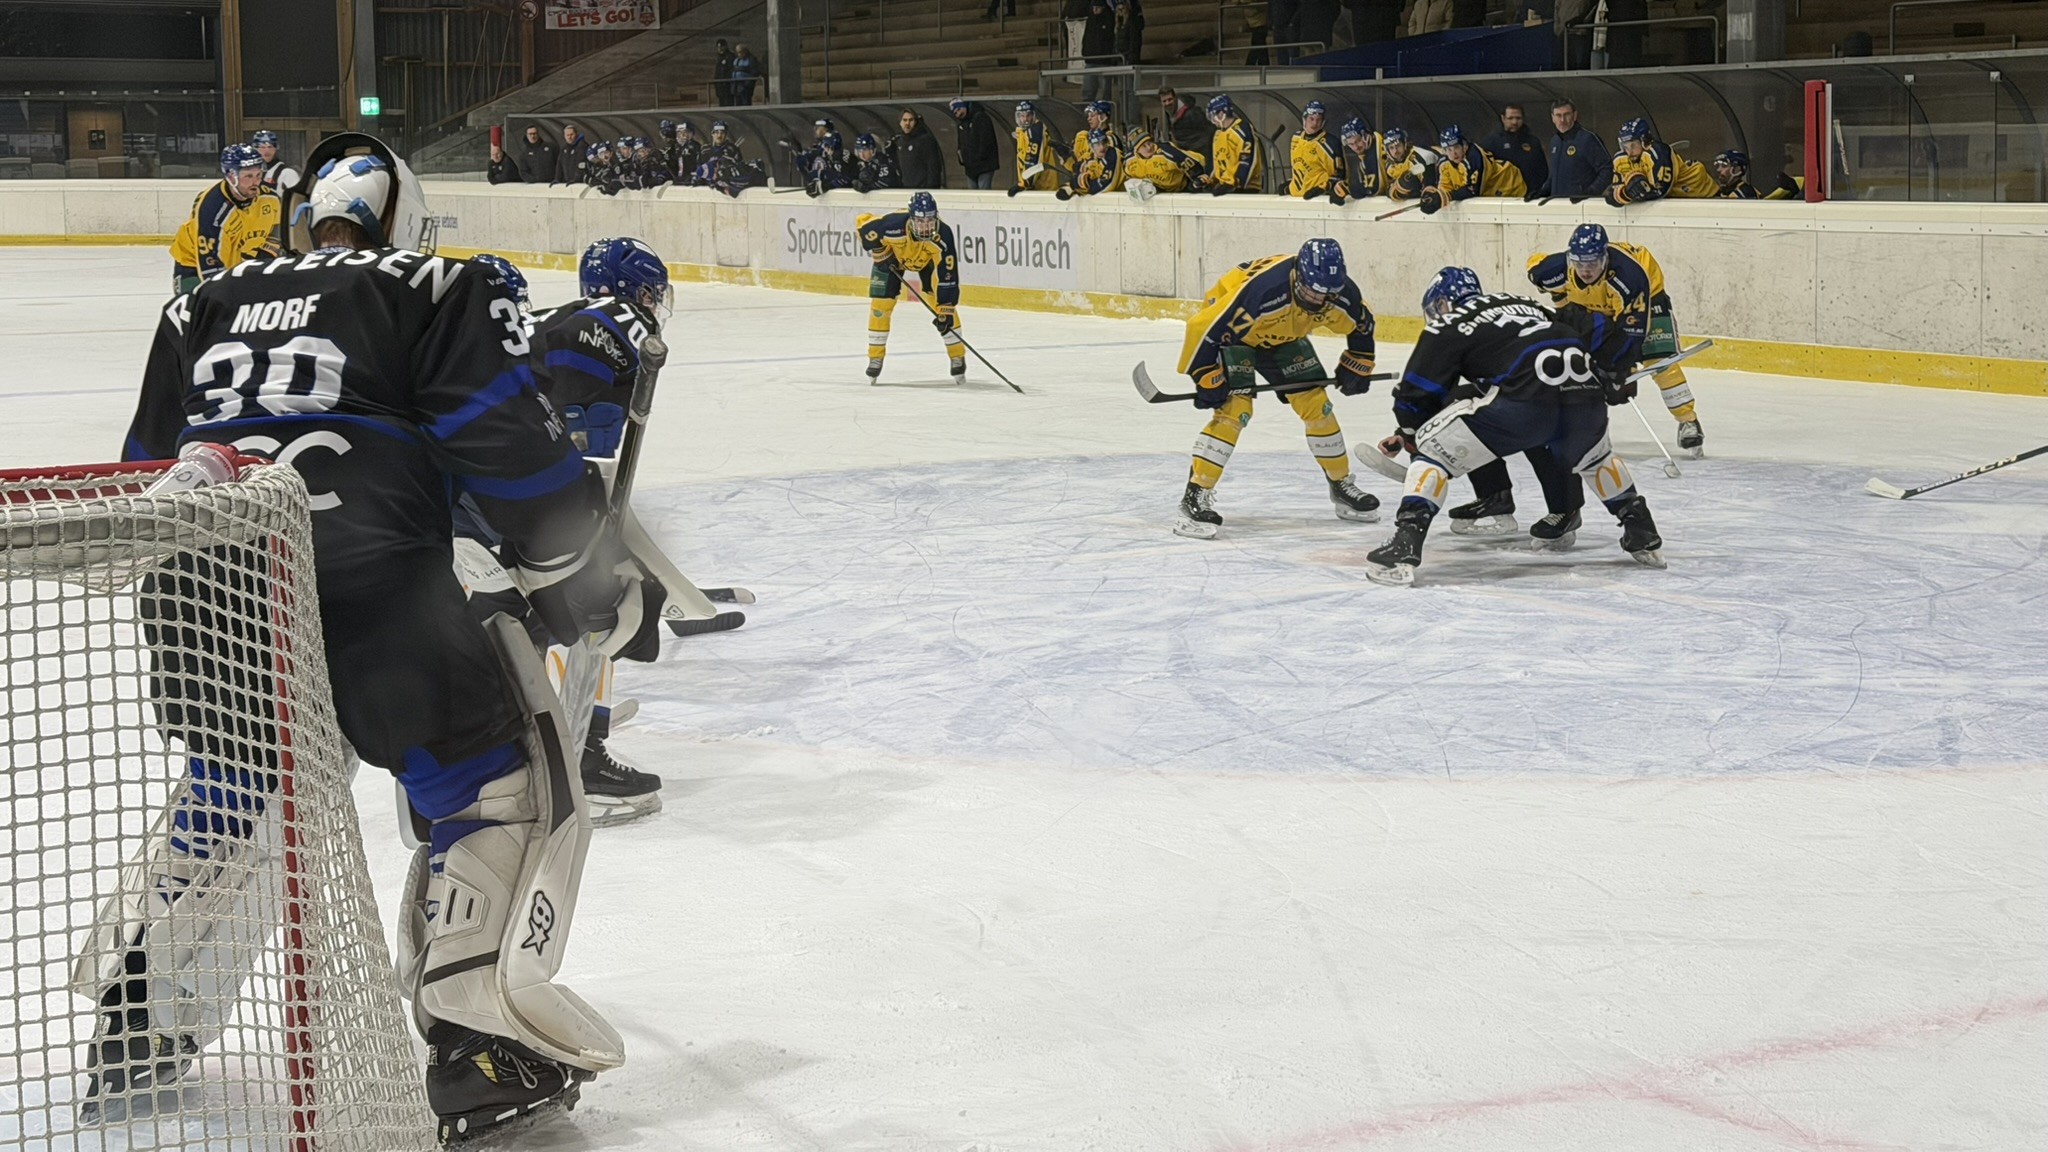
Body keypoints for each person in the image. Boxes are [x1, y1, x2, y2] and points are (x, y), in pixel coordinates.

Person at [120, 130, 655, 1140]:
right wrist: (580, 578)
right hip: (374, 597)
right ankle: (479, 1048)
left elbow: (144, 470)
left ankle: (137, 1024)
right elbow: (502, 444)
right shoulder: (436, 286)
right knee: (496, 791)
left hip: (202, 598)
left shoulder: (200, 303)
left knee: (237, 789)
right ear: (402, 215)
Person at [454, 251, 667, 827]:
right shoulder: (618, 317)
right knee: (596, 604)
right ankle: (574, 761)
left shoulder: (521, 326)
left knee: (555, 617)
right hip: (505, 506)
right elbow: (561, 406)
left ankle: (556, 747)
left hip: (468, 507)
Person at [1364, 266, 1663, 585]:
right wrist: (1615, 371)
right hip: (1582, 396)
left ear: (1442, 304)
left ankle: (1404, 545)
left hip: (1524, 400)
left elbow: (1416, 392)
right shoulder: (1536, 307)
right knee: (1595, 458)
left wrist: (1410, 433)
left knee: (1432, 455)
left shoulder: (1453, 324)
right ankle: (1642, 532)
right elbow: (1600, 328)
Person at [1172, 238, 1380, 539]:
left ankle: (1340, 484)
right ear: (1298, 275)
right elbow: (1204, 329)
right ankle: (1195, 496)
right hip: (1236, 339)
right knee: (1235, 410)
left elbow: (1362, 323)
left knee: (1317, 406)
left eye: (1327, 294)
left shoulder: (1338, 292)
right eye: (1312, 291)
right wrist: (1205, 374)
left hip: (1284, 336)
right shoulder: (1262, 292)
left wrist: (1359, 361)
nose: (1319, 301)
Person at [1527, 223, 1703, 454]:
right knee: (1571, 358)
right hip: (1592, 302)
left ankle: (1688, 421)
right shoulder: (1553, 271)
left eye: (1592, 263)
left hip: (1647, 296)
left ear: (1605, 258)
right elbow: (1537, 270)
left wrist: (1619, 371)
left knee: (1659, 360)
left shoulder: (1630, 278)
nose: (1586, 270)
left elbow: (1632, 334)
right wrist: (1565, 315)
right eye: (1579, 263)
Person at [859, 192, 966, 383]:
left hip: (926, 263)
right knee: (880, 307)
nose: (926, 226)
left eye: (930, 221)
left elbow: (948, 276)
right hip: (892, 260)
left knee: (941, 306)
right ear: (911, 219)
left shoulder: (944, 234)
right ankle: (875, 357)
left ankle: (957, 355)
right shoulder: (891, 225)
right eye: (920, 221)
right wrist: (882, 253)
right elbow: (862, 225)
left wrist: (945, 311)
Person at [169, 144, 281, 294]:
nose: (256, 183)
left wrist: (263, 259)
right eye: (248, 176)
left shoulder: (270, 199)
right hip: (193, 266)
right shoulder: (212, 207)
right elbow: (209, 266)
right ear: (230, 176)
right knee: (197, 310)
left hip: (241, 264)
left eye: (258, 175)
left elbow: (277, 232)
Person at [1606, 117, 1717, 205]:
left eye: (1633, 145)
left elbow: (1660, 191)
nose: (1629, 152)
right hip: (1679, 200)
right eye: (1625, 146)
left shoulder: (1659, 152)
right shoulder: (1621, 160)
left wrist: (1628, 193)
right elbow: (1613, 194)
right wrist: (1623, 193)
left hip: (1703, 193)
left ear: (1645, 140)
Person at [1421, 124, 1526, 213]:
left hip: (1510, 184)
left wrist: (1444, 197)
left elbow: (1472, 190)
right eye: (1449, 149)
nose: (1454, 153)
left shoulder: (1474, 157)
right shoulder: (1444, 164)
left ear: (1464, 146)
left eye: (1456, 147)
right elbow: (1445, 187)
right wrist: (1434, 195)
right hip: (1491, 193)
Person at [1536, 99, 1604, 200]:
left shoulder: (1587, 139)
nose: (1562, 120)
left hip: (1580, 205)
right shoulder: (1555, 141)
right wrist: (1543, 191)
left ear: (1575, 115)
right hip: (1557, 204)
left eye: (1566, 114)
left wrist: (1591, 192)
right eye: (1558, 115)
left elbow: (1606, 169)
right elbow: (1554, 175)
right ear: (1553, 118)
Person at [1479, 102, 1547, 196]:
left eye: (1518, 118)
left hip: (1530, 197)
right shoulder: (1491, 142)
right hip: (1503, 198)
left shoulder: (1533, 141)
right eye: (1510, 118)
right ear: (1503, 119)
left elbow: (1542, 170)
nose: (1514, 122)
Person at [1205, 95, 1263, 194]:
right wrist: (1209, 181)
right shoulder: (1218, 134)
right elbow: (1217, 162)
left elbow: (1247, 160)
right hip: (1225, 186)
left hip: (1245, 188)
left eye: (1213, 116)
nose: (1213, 121)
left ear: (1221, 114)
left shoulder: (1243, 129)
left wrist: (1237, 183)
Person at [1288, 100, 1344, 200]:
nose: (1315, 123)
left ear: (1323, 122)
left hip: (1318, 199)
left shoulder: (1330, 143)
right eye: (1311, 119)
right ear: (1304, 119)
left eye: (1319, 119)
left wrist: (1322, 188)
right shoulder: (1295, 138)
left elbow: (1338, 176)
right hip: (1295, 197)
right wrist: (1290, 185)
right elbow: (1299, 168)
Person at [1007, 101, 1066, 194]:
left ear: (1033, 116)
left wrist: (1024, 184)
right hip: (1034, 186)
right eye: (1022, 116)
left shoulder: (1035, 131)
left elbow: (1033, 159)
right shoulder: (1023, 133)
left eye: (1028, 115)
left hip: (1045, 187)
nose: (1025, 119)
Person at [1123, 128, 1200, 194]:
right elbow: (1128, 178)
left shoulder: (1167, 152)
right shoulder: (1129, 161)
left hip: (1182, 189)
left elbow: (1190, 163)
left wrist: (1198, 177)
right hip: (1157, 192)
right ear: (1137, 150)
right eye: (1144, 146)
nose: (1149, 147)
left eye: (1149, 143)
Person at [949, 98, 1002, 189]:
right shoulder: (961, 125)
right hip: (970, 168)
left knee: (983, 193)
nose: (958, 114)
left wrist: (980, 157)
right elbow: (961, 143)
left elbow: (986, 141)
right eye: (955, 113)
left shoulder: (980, 117)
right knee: (973, 194)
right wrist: (961, 158)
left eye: (958, 110)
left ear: (963, 106)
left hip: (984, 166)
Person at [1711, 149, 1799, 199]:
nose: (1719, 170)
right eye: (1718, 165)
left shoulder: (1745, 192)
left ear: (1737, 169)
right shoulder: (1723, 190)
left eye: (1724, 165)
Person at [1381, 127, 1440, 201]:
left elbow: (1430, 191)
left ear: (1405, 144)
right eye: (1391, 148)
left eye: (1398, 146)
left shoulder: (1420, 158)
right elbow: (1388, 190)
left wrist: (1402, 189)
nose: (1395, 151)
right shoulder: (1389, 166)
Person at [892, 109, 946, 189]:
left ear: (915, 122)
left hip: (923, 189)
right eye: (904, 120)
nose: (907, 123)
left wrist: (931, 188)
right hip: (905, 189)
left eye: (910, 120)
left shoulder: (925, 140)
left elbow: (933, 167)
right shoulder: (899, 141)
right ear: (900, 123)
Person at [1079, 0, 1119, 102]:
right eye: (1093, 8)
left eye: (1097, 7)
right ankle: (1087, 111)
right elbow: (1086, 37)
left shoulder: (1109, 19)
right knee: (1088, 91)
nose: (1095, 10)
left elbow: (1111, 39)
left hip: (1104, 61)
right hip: (1090, 60)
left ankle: (1105, 112)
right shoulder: (1091, 20)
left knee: (1104, 92)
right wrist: (1085, 53)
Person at [1337, 117, 1386, 199]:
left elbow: (1373, 190)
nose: (1356, 147)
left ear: (1365, 135)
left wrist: (1351, 189)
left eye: (1358, 141)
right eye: (1351, 144)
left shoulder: (1380, 147)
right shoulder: (1363, 158)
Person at [1066, 130, 1126, 196]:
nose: (1102, 147)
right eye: (1097, 144)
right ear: (1091, 147)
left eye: (1104, 143)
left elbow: (1106, 185)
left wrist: (1084, 184)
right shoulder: (1091, 159)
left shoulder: (1112, 153)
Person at [1071, 100, 1119, 176]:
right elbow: (1075, 165)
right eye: (1089, 116)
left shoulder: (1110, 139)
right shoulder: (1084, 137)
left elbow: (1108, 168)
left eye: (1092, 115)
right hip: (1083, 182)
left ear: (1103, 117)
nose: (1089, 119)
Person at [1160, 87, 1211, 154]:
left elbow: (1207, 133)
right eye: (1164, 101)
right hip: (1188, 155)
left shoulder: (1193, 113)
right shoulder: (1170, 113)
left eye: (1170, 99)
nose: (1167, 103)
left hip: (1201, 154)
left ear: (1175, 98)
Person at [713, 39, 735, 105]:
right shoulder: (718, 57)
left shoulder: (730, 56)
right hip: (720, 85)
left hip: (727, 84)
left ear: (726, 46)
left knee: (729, 102)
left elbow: (731, 70)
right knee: (721, 103)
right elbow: (717, 71)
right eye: (718, 47)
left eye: (721, 47)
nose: (720, 49)